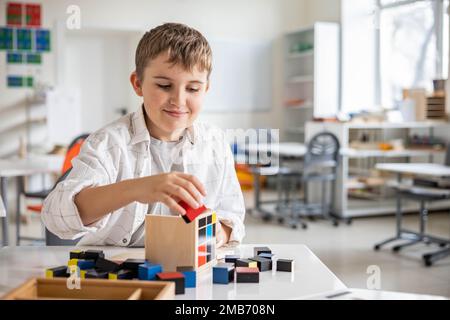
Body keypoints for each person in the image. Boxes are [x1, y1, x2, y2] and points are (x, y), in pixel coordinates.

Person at [42, 23, 245, 247]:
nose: (178, 100)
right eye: (164, 85)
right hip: (119, 273)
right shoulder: (108, 143)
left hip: (191, 270)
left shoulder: (215, 142)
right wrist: (137, 188)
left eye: (193, 89)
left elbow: (233, 217)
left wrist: (218, 234)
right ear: (138, 84)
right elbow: (56, 218)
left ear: (205, 89)